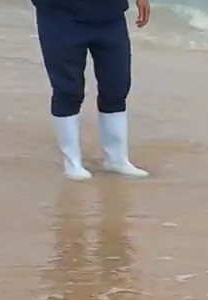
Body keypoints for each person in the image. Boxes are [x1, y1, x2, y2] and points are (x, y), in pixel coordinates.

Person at [33, 0, 151, 180]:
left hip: (110, 14)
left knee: (116, 86)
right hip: (60, 16)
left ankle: (117, 159)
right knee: (68, 89)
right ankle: (72, 163)